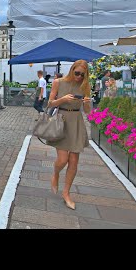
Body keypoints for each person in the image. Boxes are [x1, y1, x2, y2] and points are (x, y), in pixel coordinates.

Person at [47, 59, 92, 211]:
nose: (79, 77)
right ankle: (55, 173)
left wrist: (86, 102)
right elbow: (50, 103)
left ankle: (66, 193)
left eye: (82, 75)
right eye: (77, 73)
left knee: (73, 161)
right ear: (72, 70)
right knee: (62, 159)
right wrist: (63, 99)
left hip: (77, 122)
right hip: (62, 120)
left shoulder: (85, 86)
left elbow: (87, 111)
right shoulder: (58, 82)